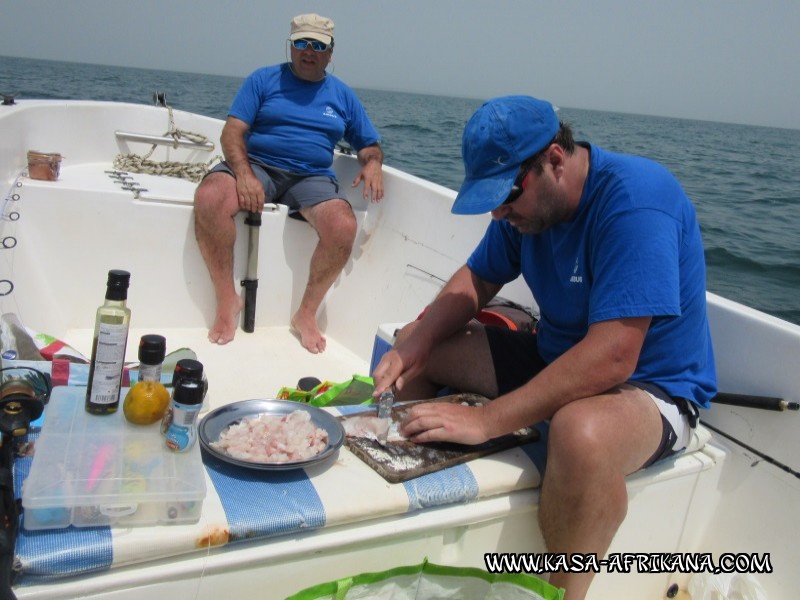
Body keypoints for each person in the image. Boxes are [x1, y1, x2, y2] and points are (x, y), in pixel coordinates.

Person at [371, 95, 716, 599]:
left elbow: (614, 356)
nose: (500, 212)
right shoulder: (524, 211)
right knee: (420, 346)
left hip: (652, 388)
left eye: (507, 196)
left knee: (581, 432)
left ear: (555, 158)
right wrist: (416, 340)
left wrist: (488, 421)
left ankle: (560, 591)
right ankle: (405, 516)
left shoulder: (637, 200)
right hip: (554, 356)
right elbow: (476, 280)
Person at [194, 13, 384, 353]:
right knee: (210, 197)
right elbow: (232, 133)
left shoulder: (342, 96)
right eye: (301, 43)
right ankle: (227, 300)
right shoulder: (263, 80)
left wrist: (373, 164)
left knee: (343, 224)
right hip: (258, 166)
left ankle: (306, 315)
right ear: (290, 46)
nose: (308, 51)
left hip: (311, 177)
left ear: (330, 52)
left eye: (317, 45)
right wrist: (244, 174)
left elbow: (368, 145)